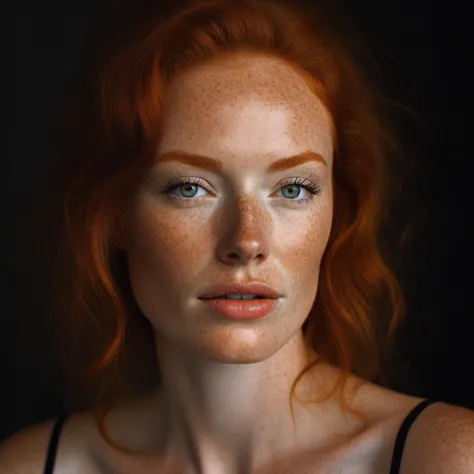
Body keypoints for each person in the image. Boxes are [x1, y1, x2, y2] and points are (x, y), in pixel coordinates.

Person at [2, 0, 473, 472]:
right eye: (190, 188)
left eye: (293, 188)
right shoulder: (33, 466)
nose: (247, 241)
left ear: (337, 208)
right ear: (116, 214)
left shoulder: (442, 457)